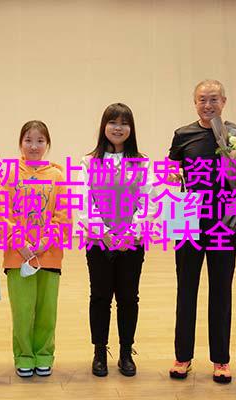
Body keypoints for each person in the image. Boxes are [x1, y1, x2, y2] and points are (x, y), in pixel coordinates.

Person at [167, 80, 236, 384]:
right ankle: (182, 356)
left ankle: (221, 359)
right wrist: (172, 177)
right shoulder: (183, 134)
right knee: (186, 288)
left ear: (224, 101)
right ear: (194, 102)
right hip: (186, 215)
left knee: (221, 289)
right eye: (202, 100)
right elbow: (171, 170)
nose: (208, 105)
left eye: (213, 99)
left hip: (224, 216)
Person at [77, 103, 156, 377]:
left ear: (131, 129)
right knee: (100, 297)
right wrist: (104, 233)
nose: (118, 128)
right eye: (113, 122)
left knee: (128, 298)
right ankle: (99, 351)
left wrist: (132, 233)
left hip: (132, 244)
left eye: (124, 123)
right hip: (99, 243)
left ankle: (125, 352)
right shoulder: (89, 162)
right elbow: (83, 200)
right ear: (104, 126)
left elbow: (148, 200)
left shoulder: (142, 162)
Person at [0, 120, 70, 378]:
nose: (34, 146)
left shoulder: (57, 176)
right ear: (21, 143)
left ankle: (44, 355)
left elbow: (63, 215)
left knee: (47, 311)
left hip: (49, 255)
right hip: (18, 256)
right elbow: (2, 213)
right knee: (22, 311)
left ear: (47, 144)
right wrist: (20, 242)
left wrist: (44, 242)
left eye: (40, 141)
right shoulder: (9, 174)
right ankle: (24, 356)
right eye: (28, 140)